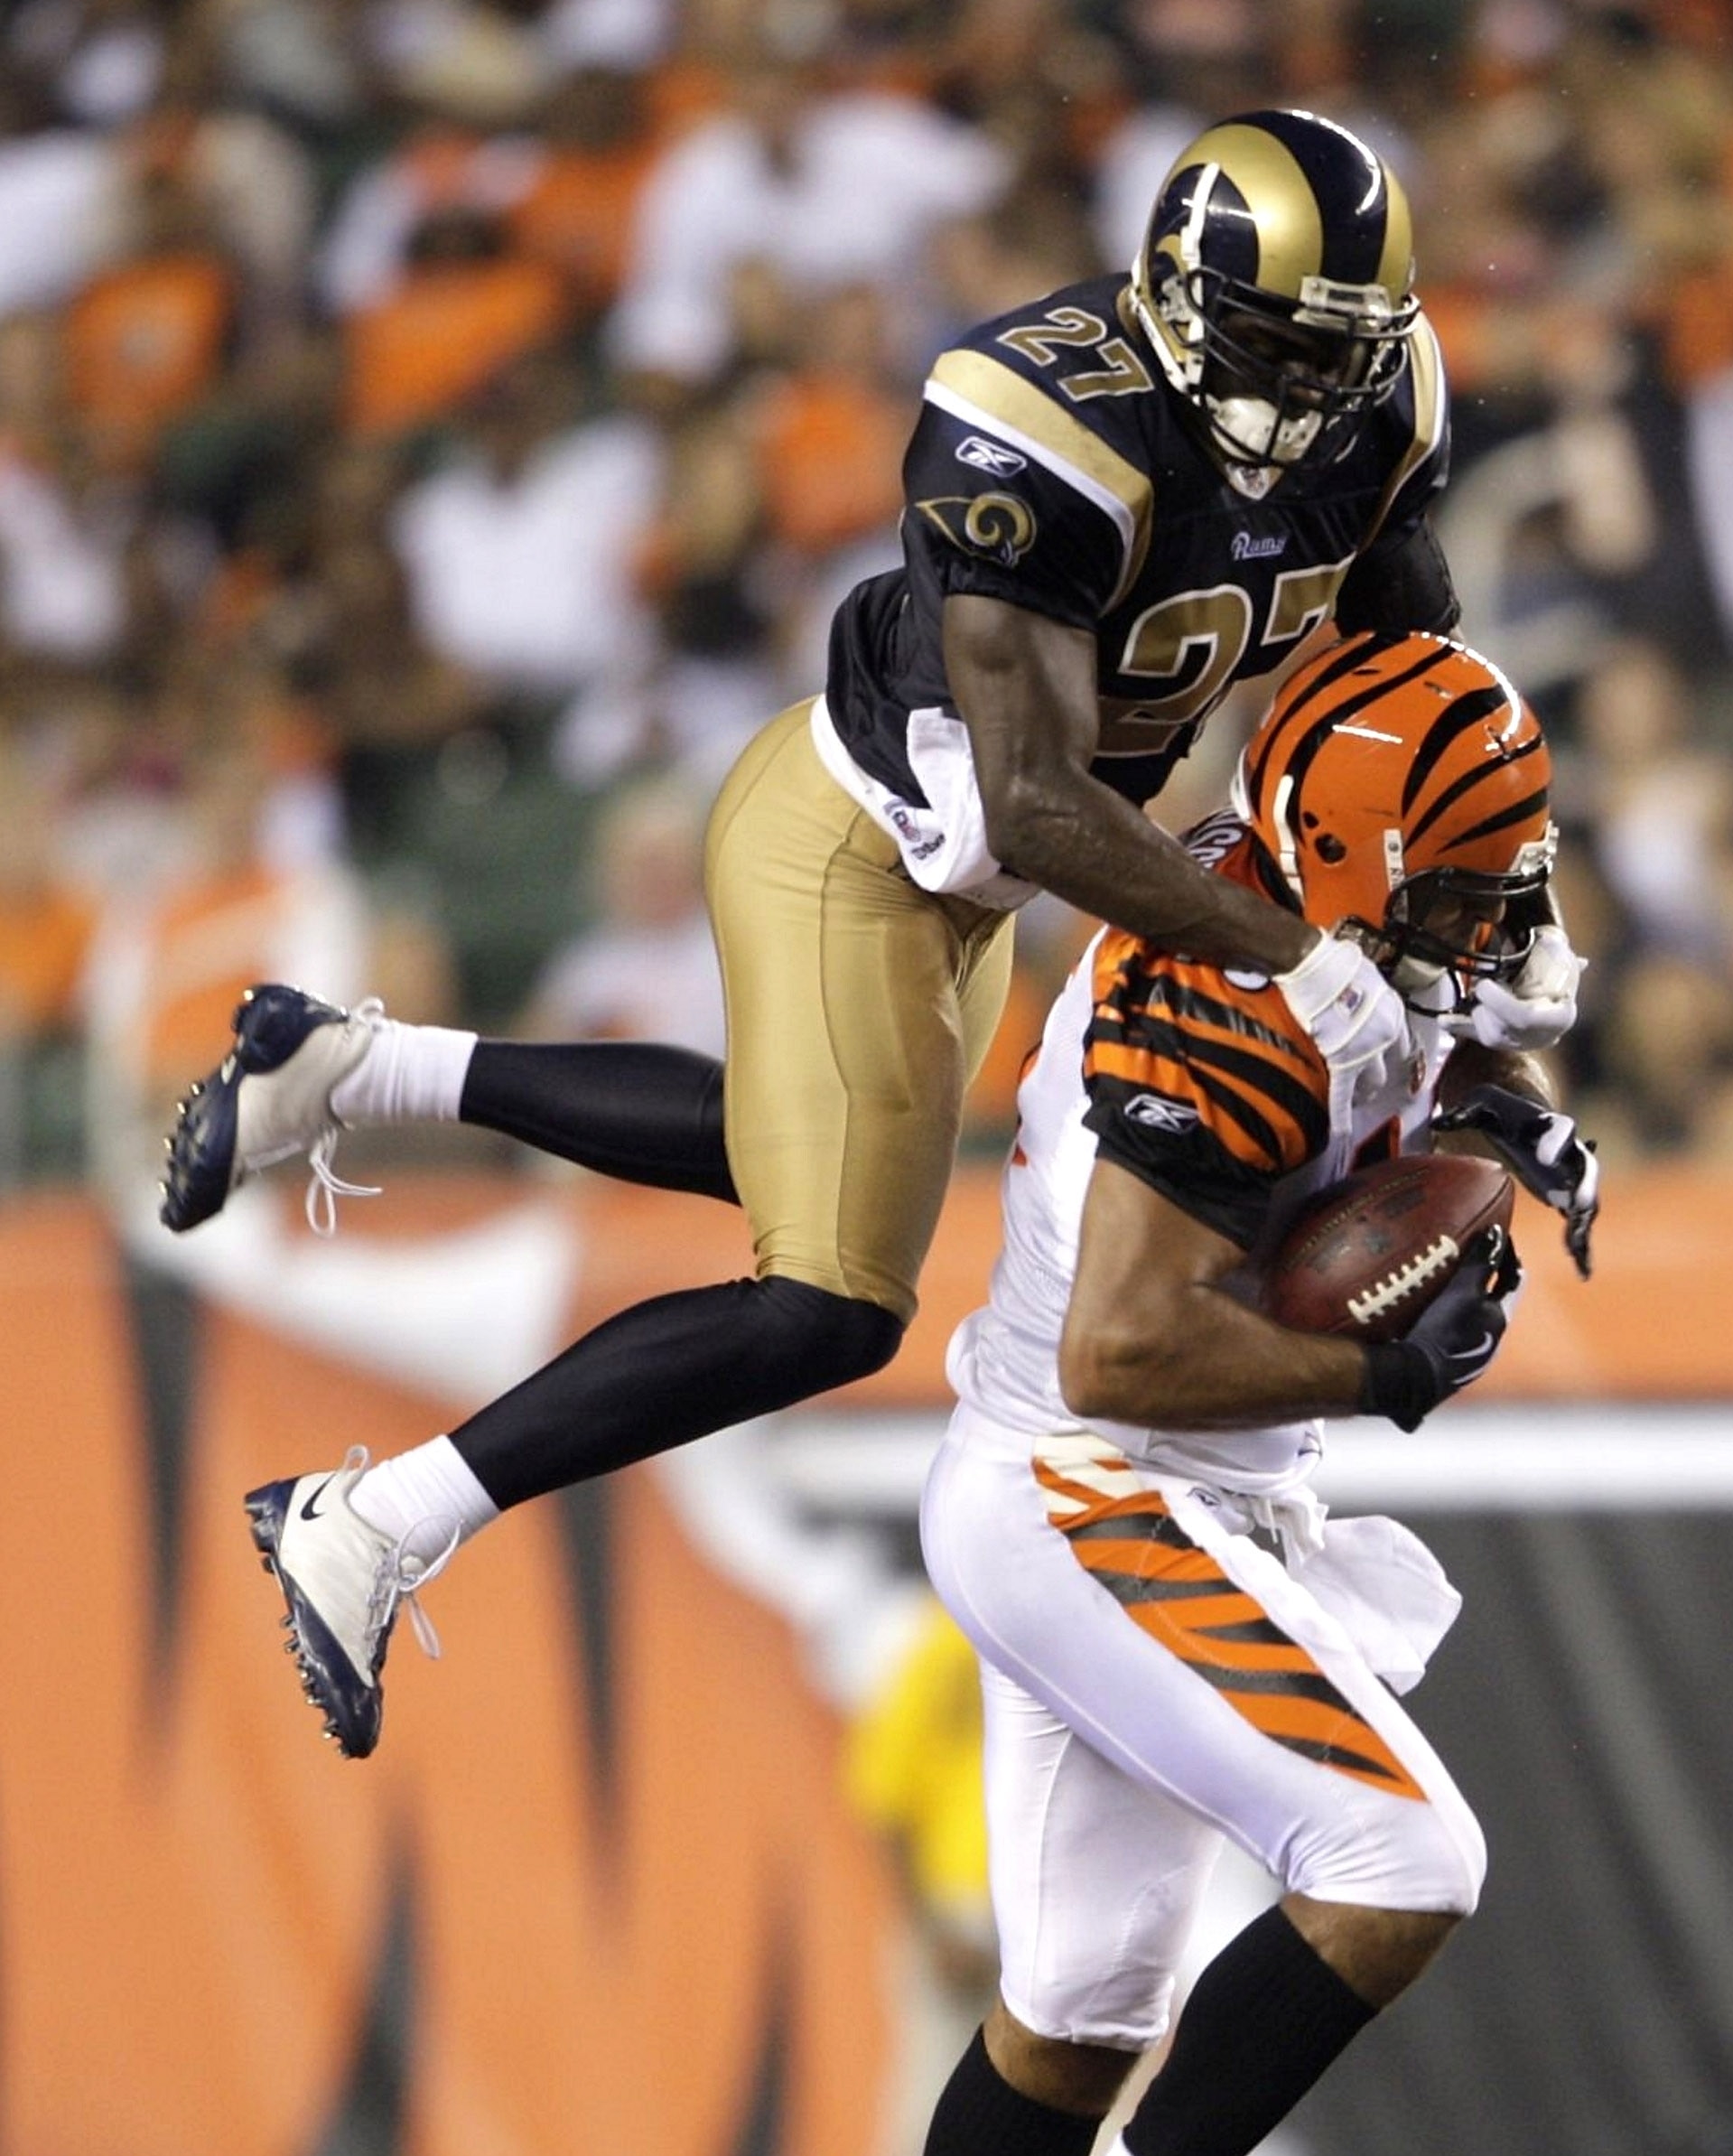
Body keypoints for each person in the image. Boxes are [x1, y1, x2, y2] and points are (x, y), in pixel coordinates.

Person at [158, 109, 1582, 1758]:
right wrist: (1292, 950)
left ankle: (342, 1068)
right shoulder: (1039, 422)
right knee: (831, 1295)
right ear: (1180, 299)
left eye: (1341, 355)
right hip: (867, 840)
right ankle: (380, 1520)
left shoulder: (1379, 403)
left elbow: (1403, 680)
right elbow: (1040, 800)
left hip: (1000, 871)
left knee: (818, 1156)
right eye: (1275, 347)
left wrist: (1463, 907)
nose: (1311, 396)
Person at [766, 629, 1598, 2156]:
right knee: (1405, 1856)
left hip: (1135, 1489)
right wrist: (1386, 1362)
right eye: (1460, 885)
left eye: (1511, 879)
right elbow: (1128, 1341)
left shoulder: (1341, 935)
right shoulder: (1222, 989)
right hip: (1095, 1484)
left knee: (1084, 2011)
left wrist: (1489, 1120)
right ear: (1337, 857)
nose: (1494, 921)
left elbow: (1429, 1053)